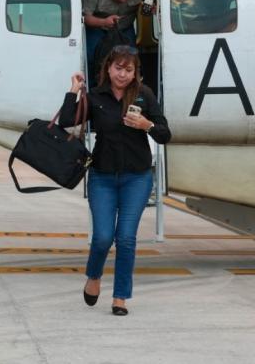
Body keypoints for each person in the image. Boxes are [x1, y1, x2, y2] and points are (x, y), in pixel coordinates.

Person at [59, 45, 171, 316]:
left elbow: (165, 134)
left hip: (137, 177)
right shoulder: (95, 96)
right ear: (108, 68)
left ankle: (120, 297)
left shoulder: (144, 95)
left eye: (128, 69)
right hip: (103, 176)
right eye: (118, 68)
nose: (122, 74)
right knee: (102, 237)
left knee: (126, 239)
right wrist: (74, 91)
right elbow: (66, 121)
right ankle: (94, 276)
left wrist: (147, 125)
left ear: (135, 73)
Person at [82, 0, 151, 78]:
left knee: (132, 59)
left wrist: (148, 7)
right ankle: (95, 90)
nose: (123, 0)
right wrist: (104, 22)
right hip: (97, 27)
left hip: (125, 26)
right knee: (91, 59)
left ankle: (133, 91)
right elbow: (85, 17)